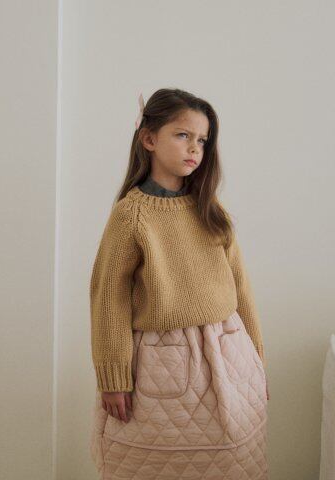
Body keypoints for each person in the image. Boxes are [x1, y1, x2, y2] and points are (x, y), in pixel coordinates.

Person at [88, 88, 269, 479]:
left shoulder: (211, 209)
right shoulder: (132, 215)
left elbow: (241, 287)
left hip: (230, 355)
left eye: (202, 140)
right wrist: (113, 376)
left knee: (233, 463)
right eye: (183, 135)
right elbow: (109, 298)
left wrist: (256, 359)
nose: (194, 148)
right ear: (149, 139)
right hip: (161, 362)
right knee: (152, 463)